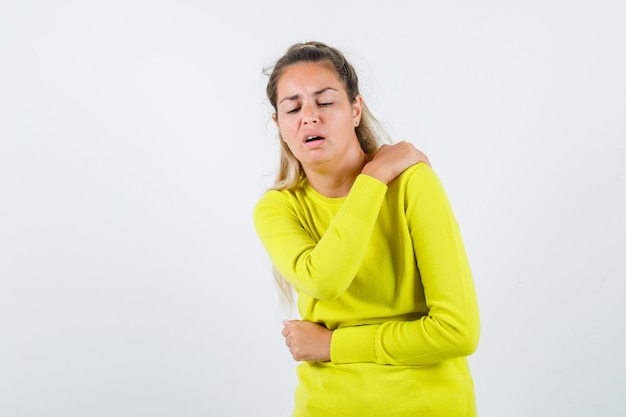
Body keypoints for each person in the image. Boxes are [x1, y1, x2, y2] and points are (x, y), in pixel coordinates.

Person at [253, 41, 480, 417]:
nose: (309, 117)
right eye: (293, 107)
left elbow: (458, 331)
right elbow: (325, 279)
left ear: (355, 109)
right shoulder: (278, 209)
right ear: (279, 125)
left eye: (325, 102)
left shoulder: (411, 185)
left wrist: (332, 346)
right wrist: (374, 177)